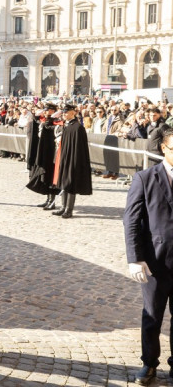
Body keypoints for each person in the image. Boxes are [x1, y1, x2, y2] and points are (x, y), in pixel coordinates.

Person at [124, 126, 173, 385]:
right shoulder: (145, 178)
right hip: (155, 261)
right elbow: (131, 221)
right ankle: (149, 363)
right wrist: (135, 258)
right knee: (152, 316)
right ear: (164, 148)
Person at [51, 104, 92, 218]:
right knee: (63, 183)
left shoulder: (78, 127)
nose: (64, 114)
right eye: (63, 112)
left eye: (66, 112)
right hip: (64, 158)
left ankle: (69, 209)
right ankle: (63, 207)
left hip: (73, 159)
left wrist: (75, 161)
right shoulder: (67, 126)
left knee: (71, 184)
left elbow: (79, 147)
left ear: (73, 112)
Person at [26, 104, 62, 210]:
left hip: (52, 154)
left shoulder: (56, 122)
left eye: (48, 110)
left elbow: (50, 127)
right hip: (44, 153)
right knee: (45, 177)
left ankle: (52, 201)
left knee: (51, 177)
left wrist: (51, 119)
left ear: (53, 111)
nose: (45, 112)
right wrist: (36, 116)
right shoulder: (45, 121)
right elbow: (35, 123)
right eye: (45, 110)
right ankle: (48, 199)